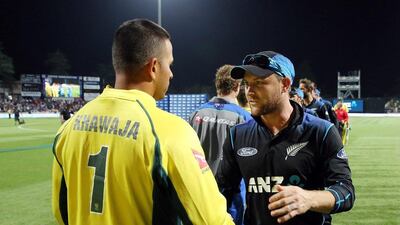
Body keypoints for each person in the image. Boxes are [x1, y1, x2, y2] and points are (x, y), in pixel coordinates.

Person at [52, 19, 234, 225]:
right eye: (170, 64)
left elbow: (61, 210)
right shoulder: (171, 132)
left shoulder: (68, 128)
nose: (171, 73)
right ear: (153, 67)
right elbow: (211, 219)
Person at [217, 50, 355, 225]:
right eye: (246, 83)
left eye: (259, 83)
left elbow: (346, 192)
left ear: (285, 84)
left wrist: (309, 198)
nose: (249, 92)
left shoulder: (321, 131)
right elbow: (221, 193)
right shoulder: (237, 135)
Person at [189, 64, 252, 225]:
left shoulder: (196, 114)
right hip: (231, 199)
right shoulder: (244, 117)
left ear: (217, 84)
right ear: (237, 87)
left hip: (199, 193)